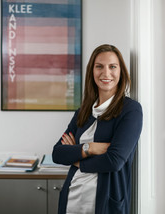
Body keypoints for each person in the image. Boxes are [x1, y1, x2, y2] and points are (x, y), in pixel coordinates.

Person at [52, 44, 143, 214]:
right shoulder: (84, 111)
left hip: (105, 204)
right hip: (72, 199)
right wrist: (91, 148)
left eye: (112, 67)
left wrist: (77, 158)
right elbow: (58, 153)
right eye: (99, 66)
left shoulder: (131, 110)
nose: (106, 73)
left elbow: (114, 161)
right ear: (92, 71)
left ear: (121, 71)